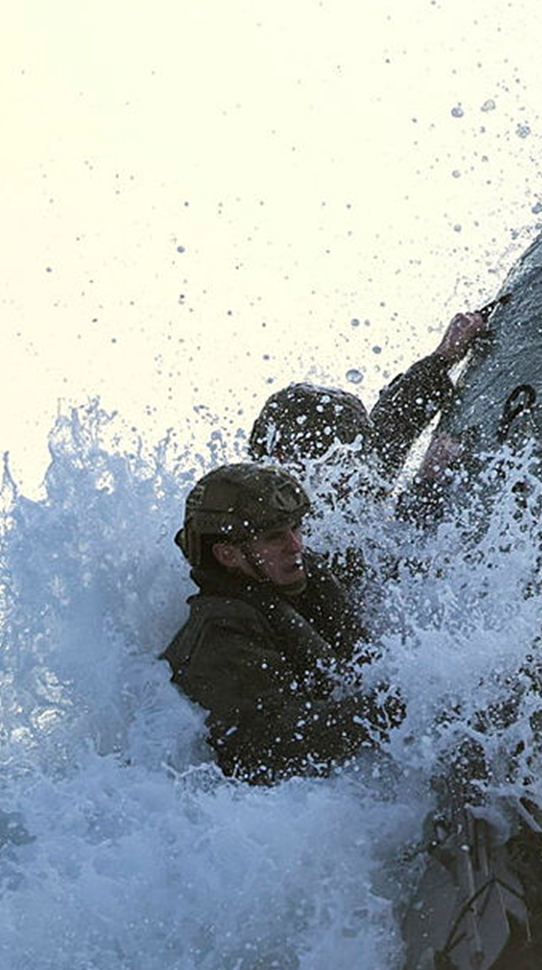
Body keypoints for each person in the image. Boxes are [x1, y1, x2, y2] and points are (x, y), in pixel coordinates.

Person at [161, 463, 392, 783]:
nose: (295, 545)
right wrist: (391, 709)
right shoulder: (220, 634)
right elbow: (276, 743)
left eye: (297, 528)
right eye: (274, 537)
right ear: (228, 555)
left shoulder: (292, 582)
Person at [248, 309, 489, 480]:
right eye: (342, 460)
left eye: (358, 454)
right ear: (285, 459)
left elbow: (395, 419)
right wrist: (426, 483)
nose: (354, 469)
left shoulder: (354, 463)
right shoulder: (271, 523)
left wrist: (443, 356)